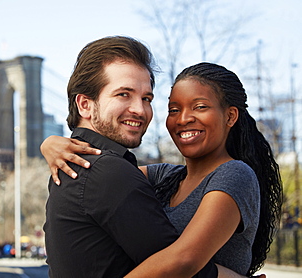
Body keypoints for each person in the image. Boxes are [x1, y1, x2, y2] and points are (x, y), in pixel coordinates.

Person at [41, 62, 282, 277]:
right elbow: (106, 176)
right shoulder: (166, 177)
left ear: (230, 116)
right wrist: (50, 144)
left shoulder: (235, 175)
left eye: (199, 107)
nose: (183, 118)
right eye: (174, 110)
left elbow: (183, 261)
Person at [43, 36, 222, 278]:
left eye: (146, 98)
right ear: (85, 104)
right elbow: (181, 269)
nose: (140, 110)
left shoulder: (76, 166)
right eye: (124, 94)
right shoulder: (107, 172)